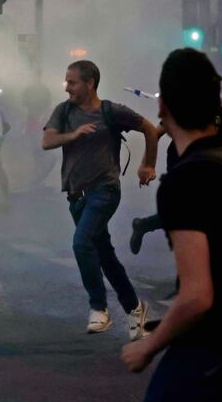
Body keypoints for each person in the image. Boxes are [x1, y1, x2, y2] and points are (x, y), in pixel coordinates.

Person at [120, 48, 222, 402]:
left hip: (221, 339)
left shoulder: (187, 181)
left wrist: (148, 347)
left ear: (163, 109)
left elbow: (197, 296)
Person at [42, 60, 157, 338]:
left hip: (104, 190)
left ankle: (99, 309)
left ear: (90, 82)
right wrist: (74, 134)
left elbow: (150, 130)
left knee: (82, 243)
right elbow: (47, 141)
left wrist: (148, 165)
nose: (67, 87)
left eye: (72, 82)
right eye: (66, 82)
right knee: (104, 254)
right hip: (76, 196)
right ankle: (134, 307)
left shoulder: (110, 111)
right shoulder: (64, 111)